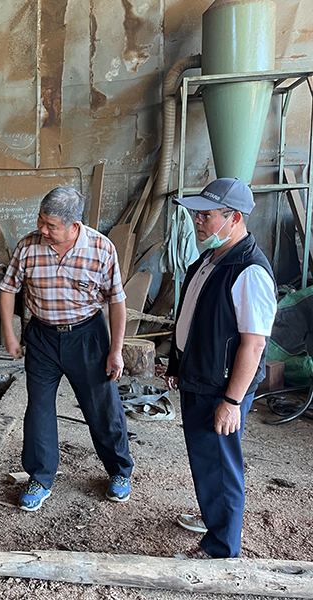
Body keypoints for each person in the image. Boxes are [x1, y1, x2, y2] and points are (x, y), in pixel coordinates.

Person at [0, 186, 133, 511]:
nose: (42, 230)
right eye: (40, 221)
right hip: (42, 337)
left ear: (74, 226)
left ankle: (119, 471)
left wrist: (116, 350)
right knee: (40, 409)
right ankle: (41, 477)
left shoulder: (102, 249)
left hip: (88, 336)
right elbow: (8, 289)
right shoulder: (28, 247)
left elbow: (117, 302)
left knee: (102, 405)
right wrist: (10, 334)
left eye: (51, 226)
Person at [165, 177, 276, 559]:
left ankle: (221, 549)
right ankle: (215, 518)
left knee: (220, 468)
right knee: (207, 461)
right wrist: (177, 363)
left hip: (220, 389)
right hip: (200, 378)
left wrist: (232, 400)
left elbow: (254, 343)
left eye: (206, 215)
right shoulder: (211, 258)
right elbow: (195, 318)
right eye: (196, 214)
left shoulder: (249, 271)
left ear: (235, 218)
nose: (197, 222)